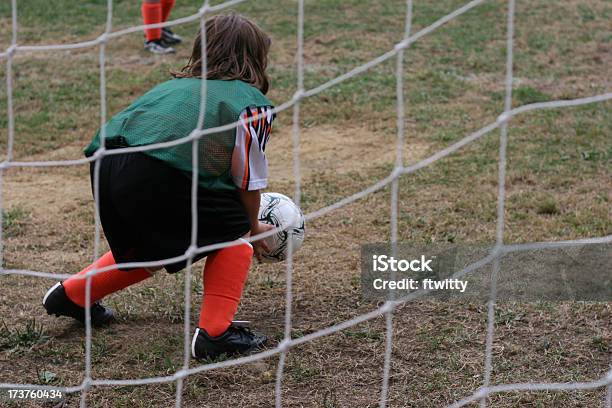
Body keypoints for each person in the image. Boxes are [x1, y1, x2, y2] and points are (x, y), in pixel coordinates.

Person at [42, 14, 276, 360]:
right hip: (156, 172)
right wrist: (254, 227)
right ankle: (215, 334)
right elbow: (248, 179)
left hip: (107, 164)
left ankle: (72, 295)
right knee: (234, 236)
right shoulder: (250, 102)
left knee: (148, 247)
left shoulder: (173, 86)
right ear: (257, 58)